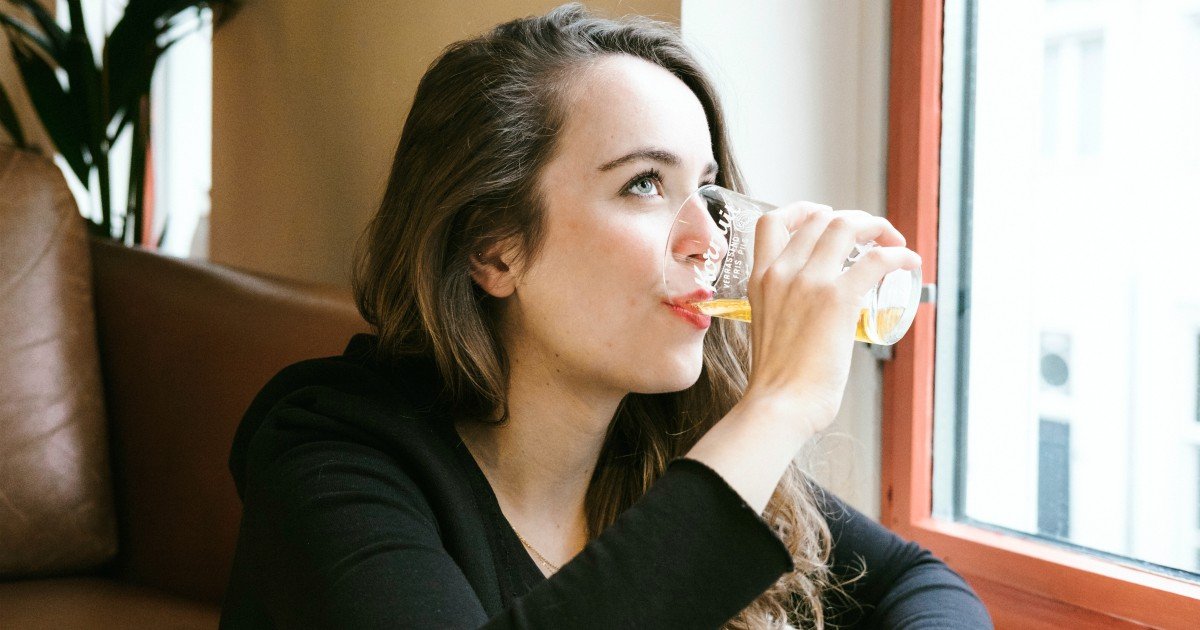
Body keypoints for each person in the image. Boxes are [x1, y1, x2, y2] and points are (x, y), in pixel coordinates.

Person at [219, 4, 992, 628]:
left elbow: (917, 582)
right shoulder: (327, 456)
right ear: (495, 250)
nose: (708, 240)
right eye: (645, 185)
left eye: (709, 192)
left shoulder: (660, 436)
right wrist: (780, 404)